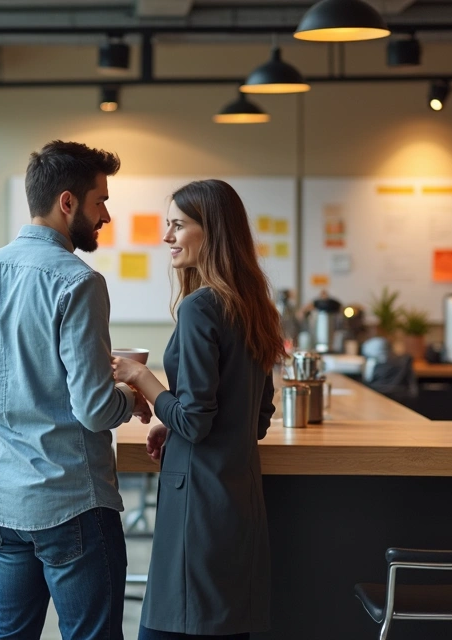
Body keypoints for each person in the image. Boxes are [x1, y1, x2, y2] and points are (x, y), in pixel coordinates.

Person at [0, 140, 152, 640]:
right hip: (71, 500)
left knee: (10, 634)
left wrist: (11, 414)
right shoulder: (78, 282)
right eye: (100, 201)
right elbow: (96, 410)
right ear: (68, 202)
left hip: (4, 502)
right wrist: (132, 398)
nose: (106, 215)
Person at [112, 179, 285, 639]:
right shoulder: (253, 307)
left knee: (170, 628)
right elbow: (257, 417)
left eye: (177, 225)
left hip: (196, 507)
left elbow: (195, 419)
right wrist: (172, 425)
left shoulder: (199, 308)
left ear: (212, 232)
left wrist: (140, 378)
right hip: (238, 500)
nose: (167, 237)